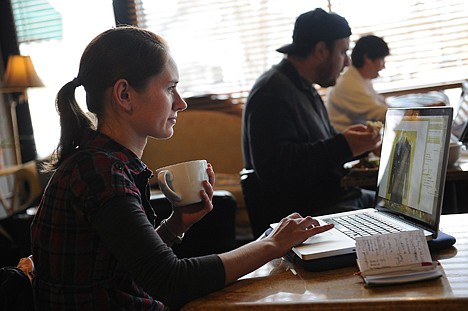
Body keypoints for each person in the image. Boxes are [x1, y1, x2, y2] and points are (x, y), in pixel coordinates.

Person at [29, 26, 334, 310]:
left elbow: (128, 264)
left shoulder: (100, 162)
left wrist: (178, 223)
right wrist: (272, 244)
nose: (181, 103)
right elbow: (171, 281)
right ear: (124, 95)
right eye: (170, 88)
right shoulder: (101, 172)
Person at [241, 8, 381, 237]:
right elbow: (273, 166)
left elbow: (322, 143)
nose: (346, 62)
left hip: (334, 201)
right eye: (343, 52)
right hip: (310, 216)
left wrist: (359, 146)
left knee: (403, 204)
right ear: (320, 50)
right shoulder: (272, 91)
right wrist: (344, 146)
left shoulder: (303, 86)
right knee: (400, 211)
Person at [326, 35, 390, 131]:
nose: (383, 66)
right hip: (345, 142)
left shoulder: (361, 78)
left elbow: (381, 103)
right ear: (368, 58)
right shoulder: (349, 84)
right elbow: (380, 114)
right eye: (382, 59)